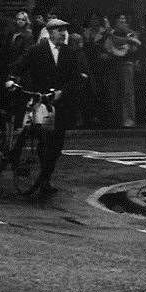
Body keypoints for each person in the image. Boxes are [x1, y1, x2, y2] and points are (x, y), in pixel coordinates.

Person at [7, 18, 87, 199]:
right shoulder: (37, 50)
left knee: (56, 145)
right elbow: (19, 66)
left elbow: (75, 78)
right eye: (59, 30)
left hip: (60, 105)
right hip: (40, 100)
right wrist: (11, 78)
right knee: (38, 136)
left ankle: (46, 178)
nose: (63, 34)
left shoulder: (69, 53)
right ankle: (19, 159)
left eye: (65, 30)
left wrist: (63, 91)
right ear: (50, 33)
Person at [102, 14, 141, 128]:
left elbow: (136, 46)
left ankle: (129, 119)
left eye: (124, 19)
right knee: (114, 92)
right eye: (120, 19)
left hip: (126, 64)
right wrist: (127, 40)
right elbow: (104, 45)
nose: (122, 21)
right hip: (113, 64)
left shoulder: (131, 33)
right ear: (116, 21)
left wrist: (128, 40)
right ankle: (116, 119)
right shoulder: (110, 32)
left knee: (127, 92)